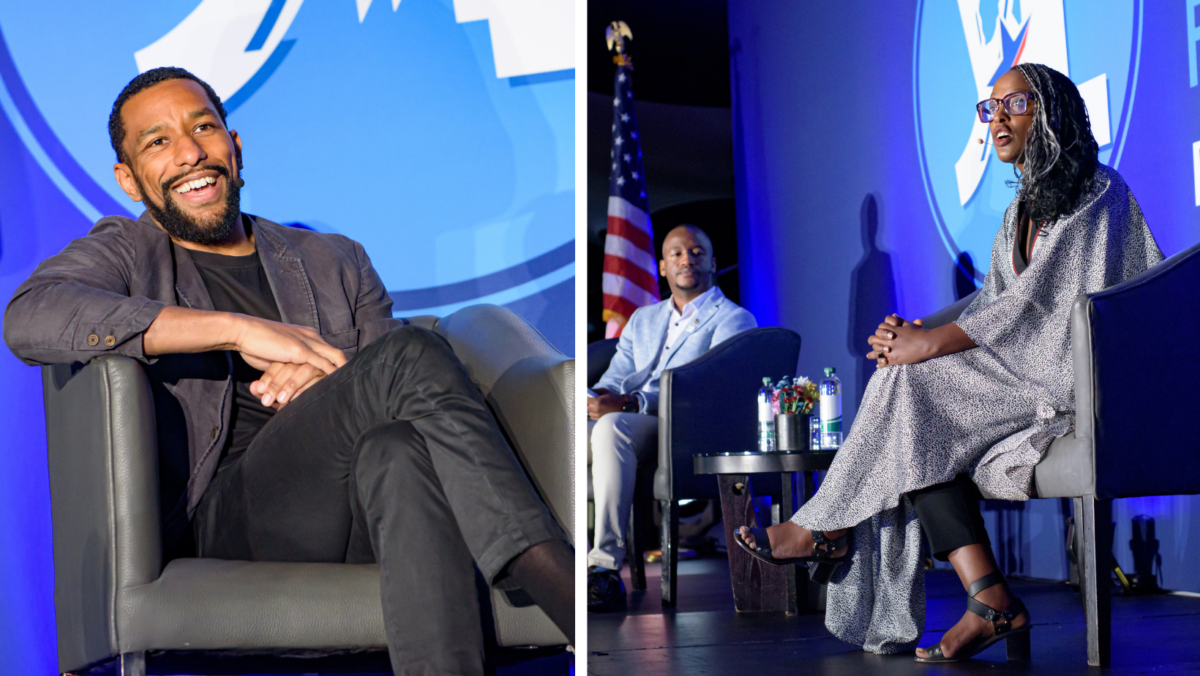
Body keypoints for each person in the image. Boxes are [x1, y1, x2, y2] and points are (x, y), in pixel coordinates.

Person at [3, 67, 575, 675]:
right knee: (408, 355)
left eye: (203, 128)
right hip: (229, 519)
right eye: (158, 142)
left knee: (399, 447)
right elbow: (31, 315)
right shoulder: (126, 248)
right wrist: (240, 328)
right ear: (129, 179)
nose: (190, 153)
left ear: (235, 144)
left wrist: (333, 381)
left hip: (359, 505)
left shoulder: (334, 259)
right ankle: (543, 567)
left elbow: (403, 392)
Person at [734, 63, 1163, 661]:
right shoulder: (1019, 213)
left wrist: (930, 345)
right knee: (910, 399)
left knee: (914, 385)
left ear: (1054, 111)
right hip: (1020, 372)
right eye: (989, 109)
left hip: (1076, 375)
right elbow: (995, 300)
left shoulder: (1099, 190)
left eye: (1013, 104)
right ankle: (987, 599)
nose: (997, 121)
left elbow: (1049, 303)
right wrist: (916, 330)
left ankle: (830, 528)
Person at [585, 224, 756, 612]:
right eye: (676, 253)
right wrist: (594, 397)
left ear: (712, 262)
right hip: (631, 419)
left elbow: (706, 388)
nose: (686, 259)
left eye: (697, 252)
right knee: (567, 430)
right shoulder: (643, 319)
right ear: (662, 267)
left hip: (683, 428)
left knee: (612, 428)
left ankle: (604, 570)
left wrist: (630, 403)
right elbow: (615, 373)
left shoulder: (734, 319)